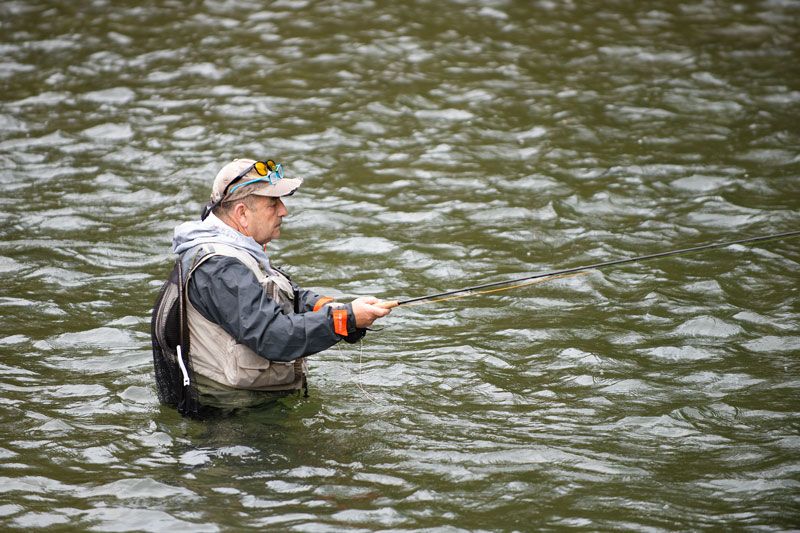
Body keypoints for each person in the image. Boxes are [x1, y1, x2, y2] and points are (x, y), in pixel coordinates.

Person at [170, 158, 391, 409]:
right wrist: (345, 319)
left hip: (253, 407)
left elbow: (284, 295)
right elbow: (272, 336)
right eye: (273, 203)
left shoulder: (236, 250)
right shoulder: (220, 267)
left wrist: (335, 308)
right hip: (234, 419)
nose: (283, 210)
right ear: (242, 213)